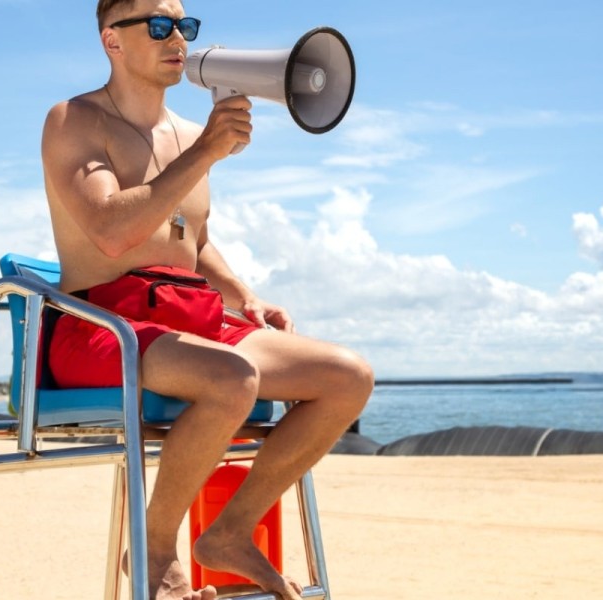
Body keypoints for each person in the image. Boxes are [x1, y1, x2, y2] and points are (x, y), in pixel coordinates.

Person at [39, 1, 374, 599]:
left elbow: (191, 238)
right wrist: (206, 153)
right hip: (101, 324)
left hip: (190, 319)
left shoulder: (191, 135)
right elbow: (111, 230)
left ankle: (230, 533)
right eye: (160, 25)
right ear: (112, 40)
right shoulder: (74, 119)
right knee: (232, 377)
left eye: (186, 27)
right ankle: (154, 552)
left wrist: (245, 296)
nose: (178, 39)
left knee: (348, 376)